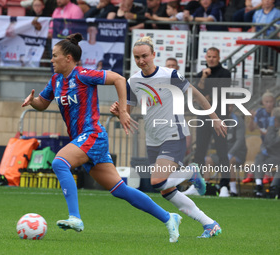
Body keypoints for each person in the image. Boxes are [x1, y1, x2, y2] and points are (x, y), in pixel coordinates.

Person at [22, 33, 183, 243]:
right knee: (120, 190)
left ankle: (75, 218)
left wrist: (123, 110)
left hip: (93, 135)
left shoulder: (83, 75)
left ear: (68, 58)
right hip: (82, 140)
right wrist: (32, 101)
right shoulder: (56, 80)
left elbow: (119, 78)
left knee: (60, 162)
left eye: (54, 56)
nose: (51, 60)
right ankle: (169, 217)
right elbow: (43, 104)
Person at [110, 36, 225, 238]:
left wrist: (214, 118)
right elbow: (126, 112)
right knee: (166, 190)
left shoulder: (169, 74)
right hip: (153, 139)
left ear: (154, 55)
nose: (141, 60)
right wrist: (118, 111)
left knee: (157, 181)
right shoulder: (133, 81)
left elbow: (196, 94)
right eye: (137, 57)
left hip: (174, 134)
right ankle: (209, 224)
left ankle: (191, 173)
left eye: (145, 56)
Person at [193, 47, 232, 197]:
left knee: (222, 151)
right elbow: (197, 95)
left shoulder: (225, 73)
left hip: (220, 117)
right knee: (199, 153)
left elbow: (220, 94)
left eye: (214, 57)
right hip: (203, 117)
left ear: (218, 57)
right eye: (209, 56)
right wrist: (203, 79)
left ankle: (224, 186)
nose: (211, 59)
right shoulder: (201, 74)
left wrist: (206, 97)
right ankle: (197, 185)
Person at [186, 103, 247, 197]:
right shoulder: (217, 119)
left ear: (233, 107)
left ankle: (232, 190)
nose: (228, 108)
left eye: (230, 106)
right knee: (207, 160)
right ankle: (204, 186)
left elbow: (240, 140)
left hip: (237, 153)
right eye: (226, 105)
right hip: (223, 153)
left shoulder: (238, 120)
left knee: (228, 160)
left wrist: (230, 153)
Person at [243, 91, 275, 186]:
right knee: (259, 158)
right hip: (265, 146)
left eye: (271, 102)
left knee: (262, 159)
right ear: (263, 102)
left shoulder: (277, 113)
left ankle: (262, 176)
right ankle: (259, 183)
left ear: (274, 102)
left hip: (276, 145)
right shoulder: (260, 113)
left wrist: (267, 133)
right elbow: (251, 129)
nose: (269, 104)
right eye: (266, 102)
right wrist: (252, 119)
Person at [252, 107, 280, 197]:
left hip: (277, 157)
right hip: (272, 157)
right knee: (259, 158)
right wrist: (263, 148)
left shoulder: (273, 129)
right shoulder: (273, 129)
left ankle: (274, 188)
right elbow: (265, 142)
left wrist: (271, 127)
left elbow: (271, 141)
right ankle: (259, 185)